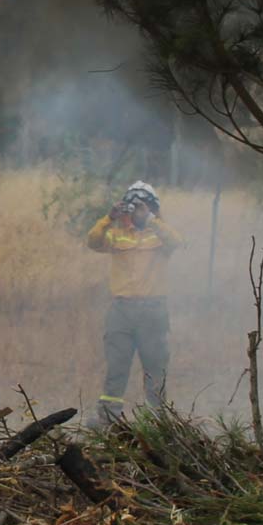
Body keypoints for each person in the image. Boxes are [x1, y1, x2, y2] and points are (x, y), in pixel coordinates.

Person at [84, 180, 180, 422]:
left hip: (153, 311)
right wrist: (109, 217)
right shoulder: (117, 235)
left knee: (154, 370)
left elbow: (177, 241)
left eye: (143, 205)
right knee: (117, 368)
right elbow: (93, 241)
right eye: (133, 205)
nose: (136, 210)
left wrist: (150, 220)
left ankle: (157, 420)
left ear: (152, 208)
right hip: (122, 311)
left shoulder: (159, 235)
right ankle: (108, 418)